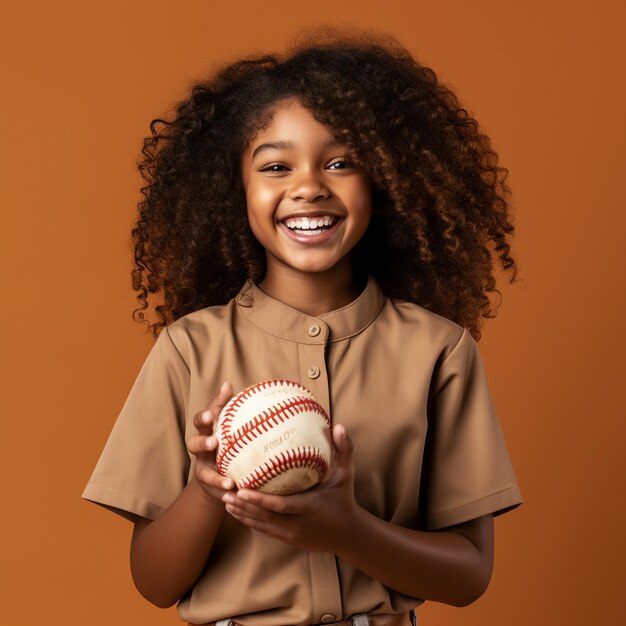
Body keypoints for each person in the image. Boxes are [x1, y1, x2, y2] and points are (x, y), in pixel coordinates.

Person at [82, 29, 523, 626]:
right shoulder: (189, 349)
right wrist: (208, 491)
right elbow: (154, 582)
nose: (309, 185)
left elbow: (469, 574)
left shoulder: (439, 350)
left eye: (341, 162)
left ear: (383, 182)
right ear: (234, 188)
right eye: (276, 165)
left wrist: (351, 531)